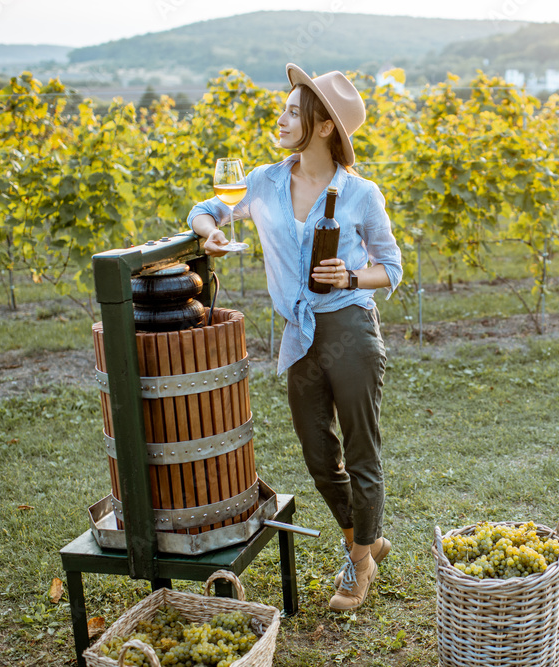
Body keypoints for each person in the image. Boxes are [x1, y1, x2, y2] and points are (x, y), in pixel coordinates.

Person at [187, 63, 403, 611]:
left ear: (325, 125)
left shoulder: (359, 193)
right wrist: (210, 232)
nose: (280, 118)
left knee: (361, 450)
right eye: (282, 109)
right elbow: (208, 208)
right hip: (299, 334)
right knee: (316, 452)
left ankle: (359, 563)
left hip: (350, 327)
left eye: (293, 110)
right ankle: (368, 535)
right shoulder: (262, 181)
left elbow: (392, 268)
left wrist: (352, 276)